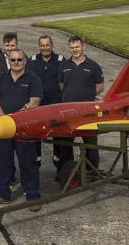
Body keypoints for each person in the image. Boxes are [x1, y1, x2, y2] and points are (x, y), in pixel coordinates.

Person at [0, 49, 43, 211]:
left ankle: (32, 196)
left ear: (25, 61)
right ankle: (3, 194)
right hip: (4, 128)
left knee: (28, 162)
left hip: (25, 128)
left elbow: (35, 102)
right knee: (2, 161)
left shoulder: (33, 78)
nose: (16, 63)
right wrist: (5, 119)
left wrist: (15, 119)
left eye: (20, 60)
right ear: (9, 61)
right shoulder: (1, 78)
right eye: (13, 60)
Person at [57, 36, 105, 172]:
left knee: (90, 142)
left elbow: (100, 87)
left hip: (87, 112)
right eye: (72, 48)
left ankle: (91, 171)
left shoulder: (94, 66)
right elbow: (61, 85)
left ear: (83, 47)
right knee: (66, 143)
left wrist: (87, 97)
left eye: (77, 47)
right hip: (68, 111)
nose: (74, 50)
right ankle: (67, 171)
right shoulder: (64, 66)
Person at [30, 35, 64, 168]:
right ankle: (35, 165)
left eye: (47, 45)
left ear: (52, 45)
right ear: (39, 46)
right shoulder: (32, 61)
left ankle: (60, 166)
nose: (45, 48)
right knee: (35, 137)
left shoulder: (61, 61)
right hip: (38, 108)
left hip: (56, 107)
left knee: (59, 138)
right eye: (42, 45)